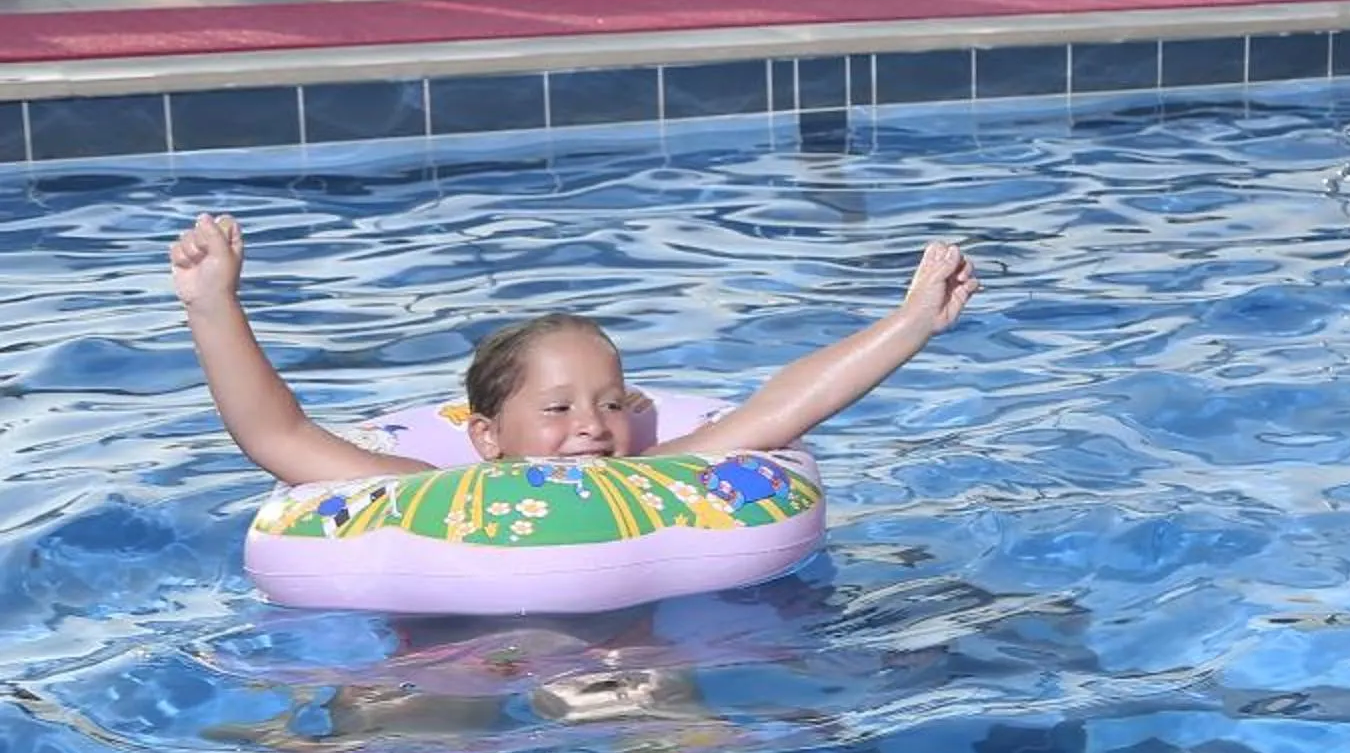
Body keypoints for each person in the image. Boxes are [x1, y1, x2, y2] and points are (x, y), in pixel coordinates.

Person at [170, 212, 976, 486]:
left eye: (610, 404)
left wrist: (908, 324)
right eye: (556, 409)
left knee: (684, 743)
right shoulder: (430, 489)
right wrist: (215, 306)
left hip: (623, 648)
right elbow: (278, 437)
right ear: (485, 435)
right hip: (463, 652)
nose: (591, 426)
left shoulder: (653, 477)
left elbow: (777, 409)